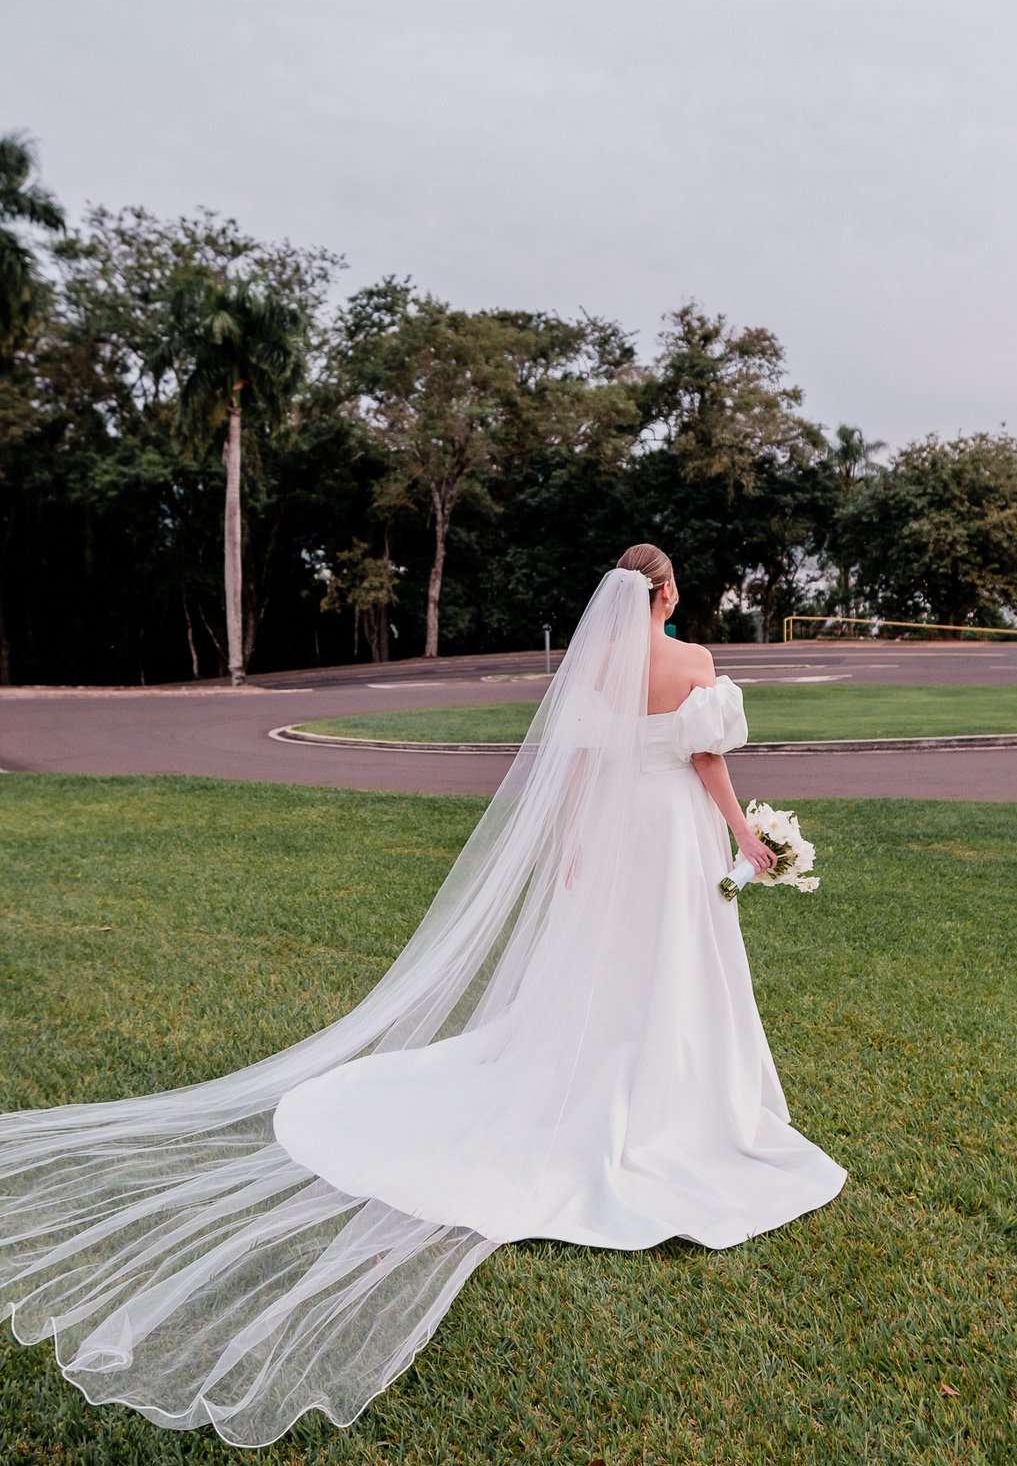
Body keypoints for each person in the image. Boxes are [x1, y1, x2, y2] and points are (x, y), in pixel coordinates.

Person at [0, 546, 845, 1448]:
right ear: (669, 593)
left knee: (607, 965)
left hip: (616, 831)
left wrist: (570, 844)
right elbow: (710, 764)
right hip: (673, 827)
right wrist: (743, 838)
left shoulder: (595, 667)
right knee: (678, 963)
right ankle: (675, 1095)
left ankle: (602, 1075)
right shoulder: (695, 665)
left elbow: (582, 774)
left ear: (616, 595)